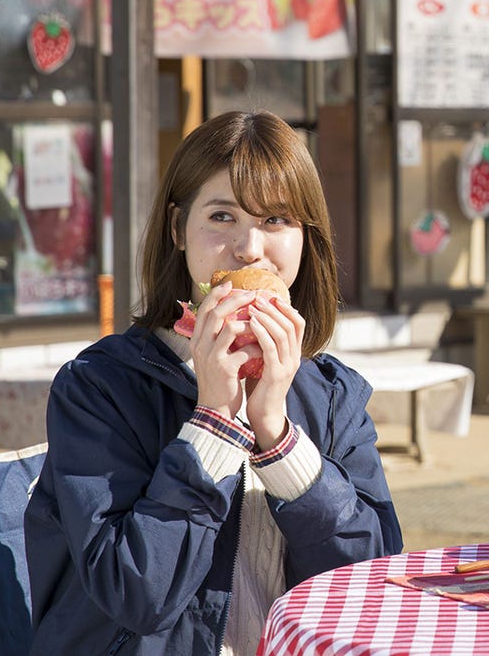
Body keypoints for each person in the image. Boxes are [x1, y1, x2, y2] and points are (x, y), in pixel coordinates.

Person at [26, 110, 402, 655]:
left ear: (305, 241)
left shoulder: (332, 394)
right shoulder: (99, 388)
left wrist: (276, 434)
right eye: (222, 216)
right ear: (179, 229)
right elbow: (135, 593)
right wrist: (215, 422)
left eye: (276, 221)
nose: (250, 248)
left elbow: (373, 586)